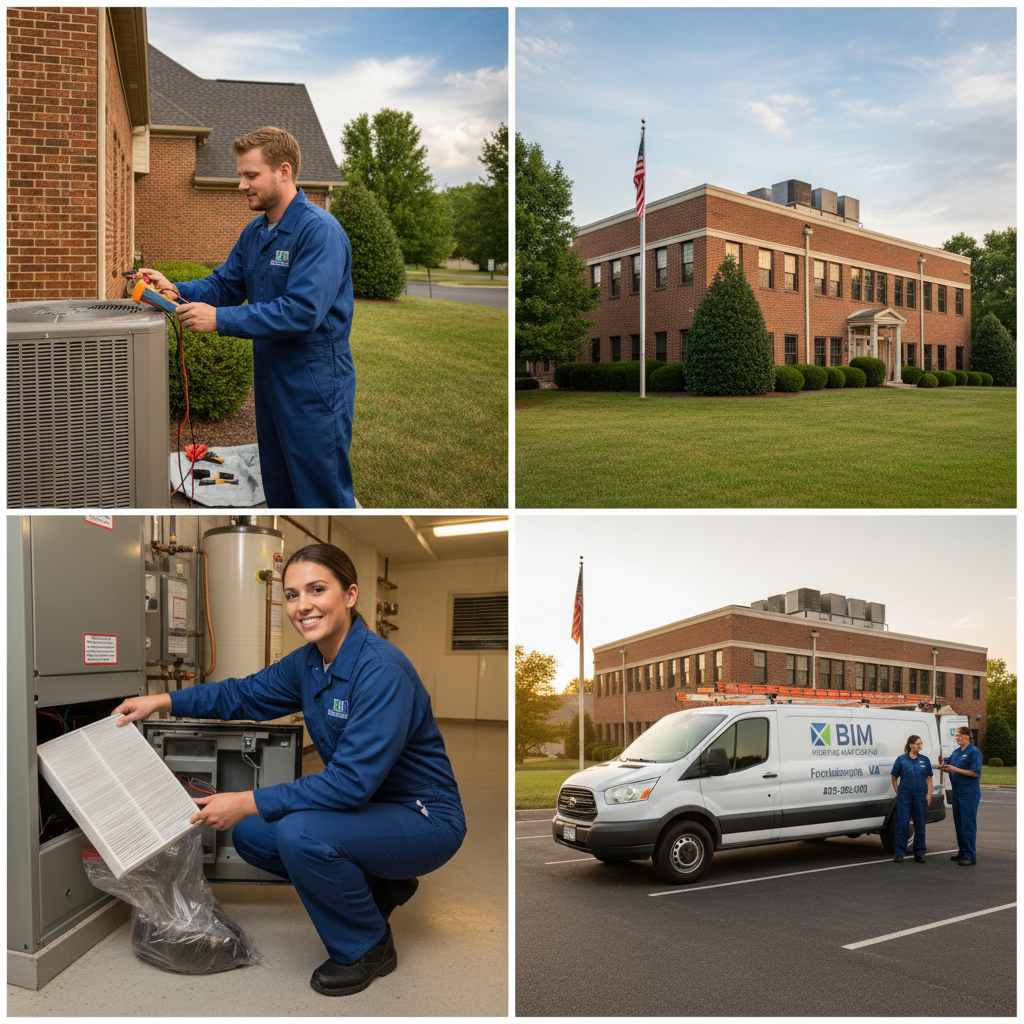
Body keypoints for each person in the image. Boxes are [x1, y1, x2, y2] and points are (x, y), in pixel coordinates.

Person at [113, 543, 465, 996]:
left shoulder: (381, 671)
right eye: (293, 595)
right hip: (371, 810)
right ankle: (382, 882)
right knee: (253, 835)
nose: (303, 606)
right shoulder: (310, 662)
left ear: (351, 594)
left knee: (300, 834)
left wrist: (244, 801)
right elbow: (241, 694)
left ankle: (367, 946)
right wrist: (163, 700)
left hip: (423, 818)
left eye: (317, 590)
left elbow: (350, 784)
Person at [136, 126, 355, 508]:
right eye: (241, 175)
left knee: (322, 491)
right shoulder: (256, 232)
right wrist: (174, 288)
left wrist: (220, 320)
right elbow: (224, 284)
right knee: (279, 484)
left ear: (283, 172)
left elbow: (303, 312)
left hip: (314, 386)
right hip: (271, 381)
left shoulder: (319, 232)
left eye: (250, 175)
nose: (241, 185)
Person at [939, 725, 982, 866]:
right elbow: (952, 769)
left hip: (969, 792)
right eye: (956, 735)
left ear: (967, 736)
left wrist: (955, 769)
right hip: (957, 791)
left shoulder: (974, 752)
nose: (957, 738)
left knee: (967, 823)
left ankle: (970, 855)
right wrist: (945, 768)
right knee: (959, 823)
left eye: (959, 735)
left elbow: (975, 773)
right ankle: (962, 851)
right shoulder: (956, 752)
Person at [889, 734, 933, 863]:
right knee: (902, 824)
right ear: (911, 745)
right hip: (905, 796)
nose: (920, 746)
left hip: (920, 796)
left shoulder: (925, 760)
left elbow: (929, 778)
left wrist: (929, 795)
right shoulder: (901, 760)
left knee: (920, 825)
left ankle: (919, 853)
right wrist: (899, 791)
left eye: (921, 744)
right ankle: (899, 852)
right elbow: (893, 777)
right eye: (918, 744)